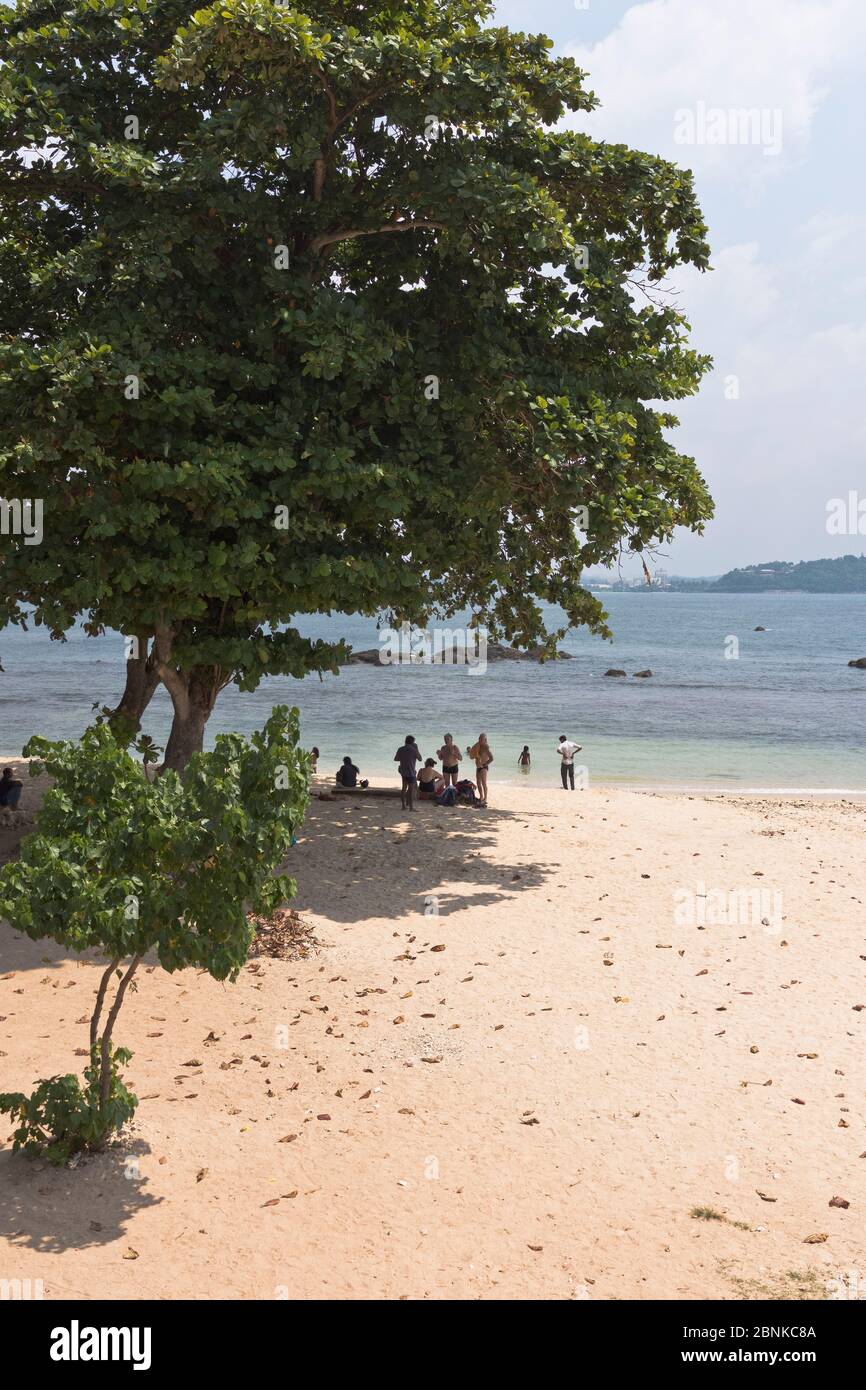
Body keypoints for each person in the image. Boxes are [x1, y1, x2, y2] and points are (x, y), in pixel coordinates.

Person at [394, 735, 423, 811]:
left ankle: (403, 806)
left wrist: (404, 758)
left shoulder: (400, 749)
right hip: (411, 772)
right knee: (411, 789)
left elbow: (396, 759)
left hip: (403, 771)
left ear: (405, 741)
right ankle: (411, 807)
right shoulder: (414, 750)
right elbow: (420, 759)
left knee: (403, 789)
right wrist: (416, 749)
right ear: (412, 742)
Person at [466, 733, 493, 806]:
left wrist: (485, 764)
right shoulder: (477, 746)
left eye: (482, 739)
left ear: (485, 740)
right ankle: (481, 796)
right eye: (479, 739)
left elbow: (491, 758)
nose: (480, 740)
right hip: (478, 767)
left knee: (484, 782)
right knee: (478, 783)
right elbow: (472, 756)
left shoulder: (486, 748)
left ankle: (485, 798)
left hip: (484, 767)